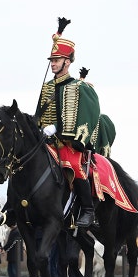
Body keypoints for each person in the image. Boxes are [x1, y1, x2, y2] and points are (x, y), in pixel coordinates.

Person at [34, 17, 100, 228]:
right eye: (52, 61)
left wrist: (61, 130)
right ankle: (13, 210)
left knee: (72, 165)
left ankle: (88, 211)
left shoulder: (79, 87)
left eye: (57, 60)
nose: (53, 64)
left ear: (67, 62)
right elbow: (39, 114)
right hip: (46, 141)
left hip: (67, 143)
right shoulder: (46, 87)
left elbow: (89, 113)